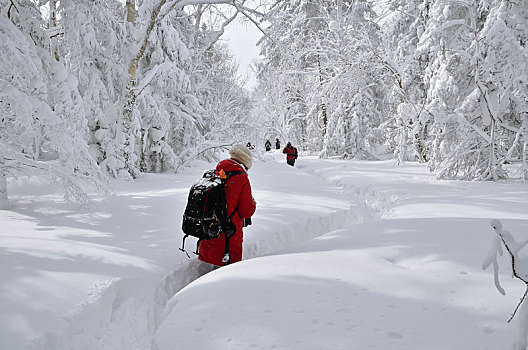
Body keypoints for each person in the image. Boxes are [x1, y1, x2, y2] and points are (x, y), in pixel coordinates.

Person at [199, 144, 256, 267]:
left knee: (214, 264)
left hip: (211, 229)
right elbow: (246, 211)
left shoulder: (217, 172)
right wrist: (253, 204)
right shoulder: (241, 178)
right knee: (227, 269)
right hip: (230, 233)